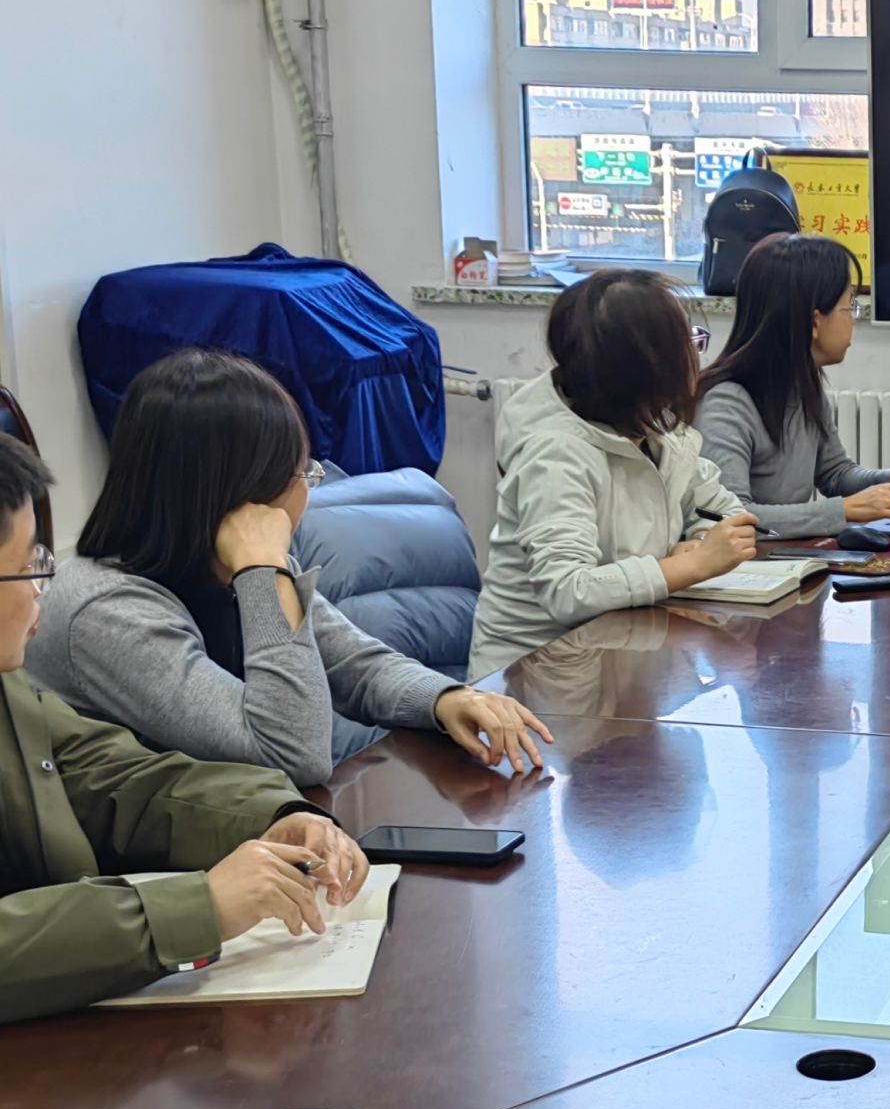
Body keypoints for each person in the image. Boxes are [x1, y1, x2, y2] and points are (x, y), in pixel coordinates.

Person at [28, 352, 550, 789]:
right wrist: (262, 572)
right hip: (121, 867)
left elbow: (356, 666)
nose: (307, 492)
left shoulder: (226, 561)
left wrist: (445, 698)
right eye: (302, 474)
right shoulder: (107, 610)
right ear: (241, 496)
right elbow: (292, 755)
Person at [0, 433, 371, 1024]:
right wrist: (202, 907)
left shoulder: (10, 691)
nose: (40, 589)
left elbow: (116, 777)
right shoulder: (107, 607)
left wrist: (272, 814)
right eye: (25, 569)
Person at [469, 268, 762, 678]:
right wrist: (689, 567)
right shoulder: (555, 453)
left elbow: (725, 512)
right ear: (641, 365)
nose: (696, 358)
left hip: (624, 656)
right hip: (535, 678)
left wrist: (698, 543)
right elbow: (567, 591)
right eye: (688, 344)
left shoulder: (655, 429)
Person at [697, 234, 890, 537]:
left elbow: (835, 474)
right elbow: (728, 517)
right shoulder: (726, 402)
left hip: (787, 556)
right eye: (849, 306)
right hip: (751, 564)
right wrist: (843, 510)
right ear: (815, 322)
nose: (853, 319)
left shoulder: (803, 382)